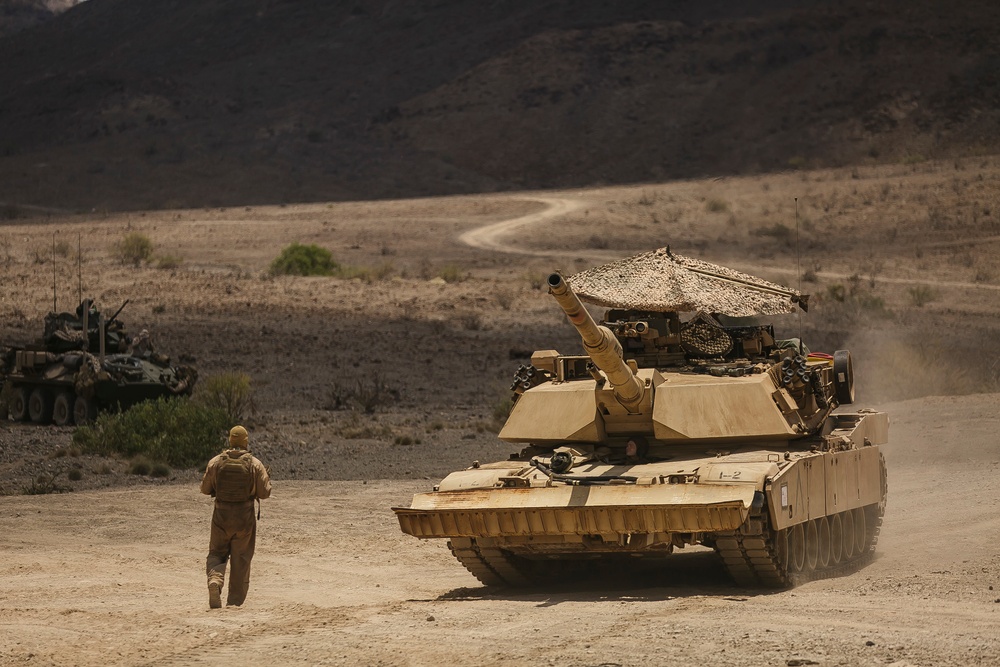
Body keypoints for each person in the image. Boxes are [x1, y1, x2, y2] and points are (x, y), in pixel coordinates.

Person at [200, 425, 271, 609]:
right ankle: (234, 603)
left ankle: (215, 579)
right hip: (244, 518)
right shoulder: (254, 464)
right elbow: (264, 493)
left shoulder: (216, 462)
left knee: (217, 553)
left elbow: (204, 489)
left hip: (221, 516)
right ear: (246, 441)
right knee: (241, 558)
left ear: (230, 440)